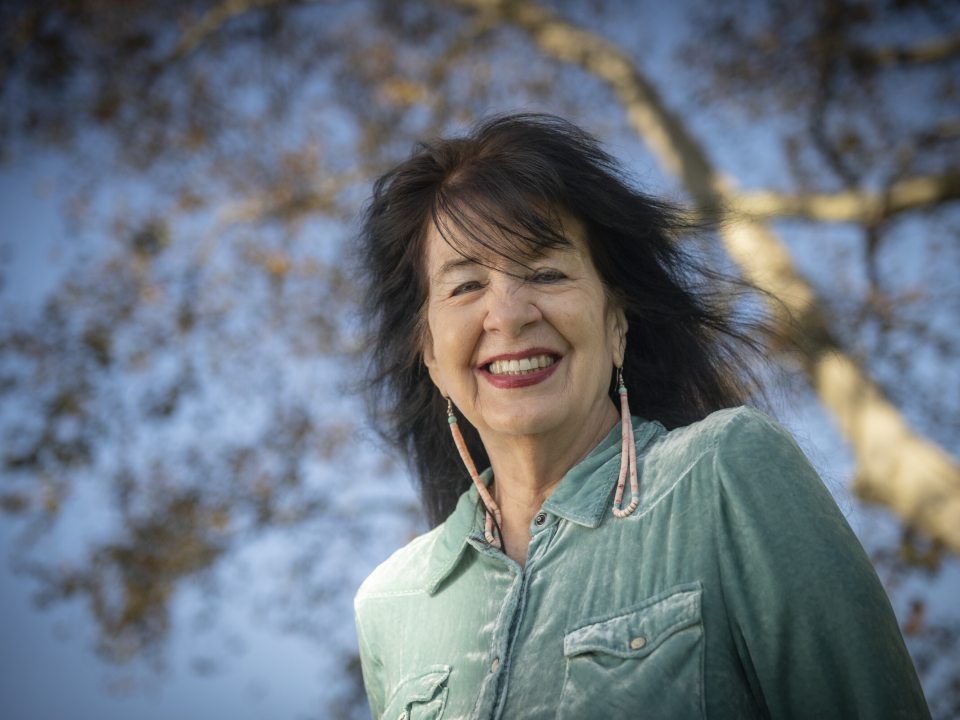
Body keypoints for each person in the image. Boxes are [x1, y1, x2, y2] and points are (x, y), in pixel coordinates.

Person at [352, 113, 930, 720]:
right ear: (431, 356)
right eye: (465, 286)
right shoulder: (391, 604)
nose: (509, 314)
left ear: (616, 322)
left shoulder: (726, 473)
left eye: (545, 273)